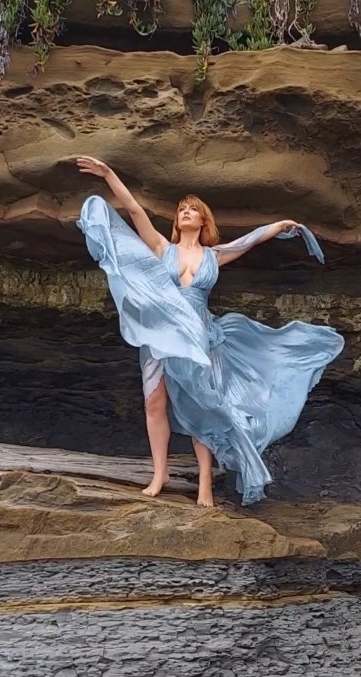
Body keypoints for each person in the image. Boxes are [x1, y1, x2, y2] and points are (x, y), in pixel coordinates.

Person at [76, 155, 344, 507]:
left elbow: (249, 241)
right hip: (162, 335)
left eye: (192, 209)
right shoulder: (162, 248)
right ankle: (160, 474)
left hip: (199, 335)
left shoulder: (214, 256)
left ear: (204, 220)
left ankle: (205, 482)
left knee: (203, 402)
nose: (185, 212)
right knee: (154, 403)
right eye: (181, 209)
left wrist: (279, 226)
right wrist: (109, 174)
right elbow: (135, 211)